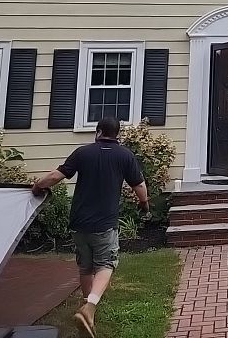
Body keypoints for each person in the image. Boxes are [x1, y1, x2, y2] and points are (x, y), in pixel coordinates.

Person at [32, 116, 149, 338]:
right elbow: (139, 186)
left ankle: (87, 313)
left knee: (85, 266)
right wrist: (144, 204)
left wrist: (38, 186)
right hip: (104, 224)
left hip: (79, 223)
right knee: (106, 264)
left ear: (98, 132)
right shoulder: (125, 155)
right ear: (117, 135)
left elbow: (57, 176)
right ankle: (90, 306)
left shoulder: (82, 153)